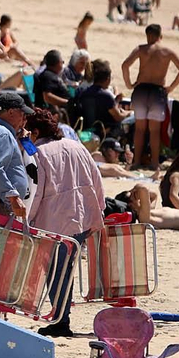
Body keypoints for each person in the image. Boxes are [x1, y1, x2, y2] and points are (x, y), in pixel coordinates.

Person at [25, 110, 105, 336]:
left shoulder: (38, 154)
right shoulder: (76, 145)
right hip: (82, 217)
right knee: (65, 271)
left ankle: (61, 321)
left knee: (55, 273)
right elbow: (96, 178)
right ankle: (61, 318)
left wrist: (27, 220)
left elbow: (36, 192)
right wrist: (98, 210)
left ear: (36, 131)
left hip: (54, 221)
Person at [120, 24, 179, 170]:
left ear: (147, 35)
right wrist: (171, 87)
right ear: (160, 36)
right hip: (157, 91)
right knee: (154, 130)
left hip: (141, 90)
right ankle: (154, 163)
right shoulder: (167, 51)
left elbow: (125, 65)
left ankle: (136, 162)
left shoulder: (141, 49)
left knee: (139, 129)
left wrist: (129, 84)